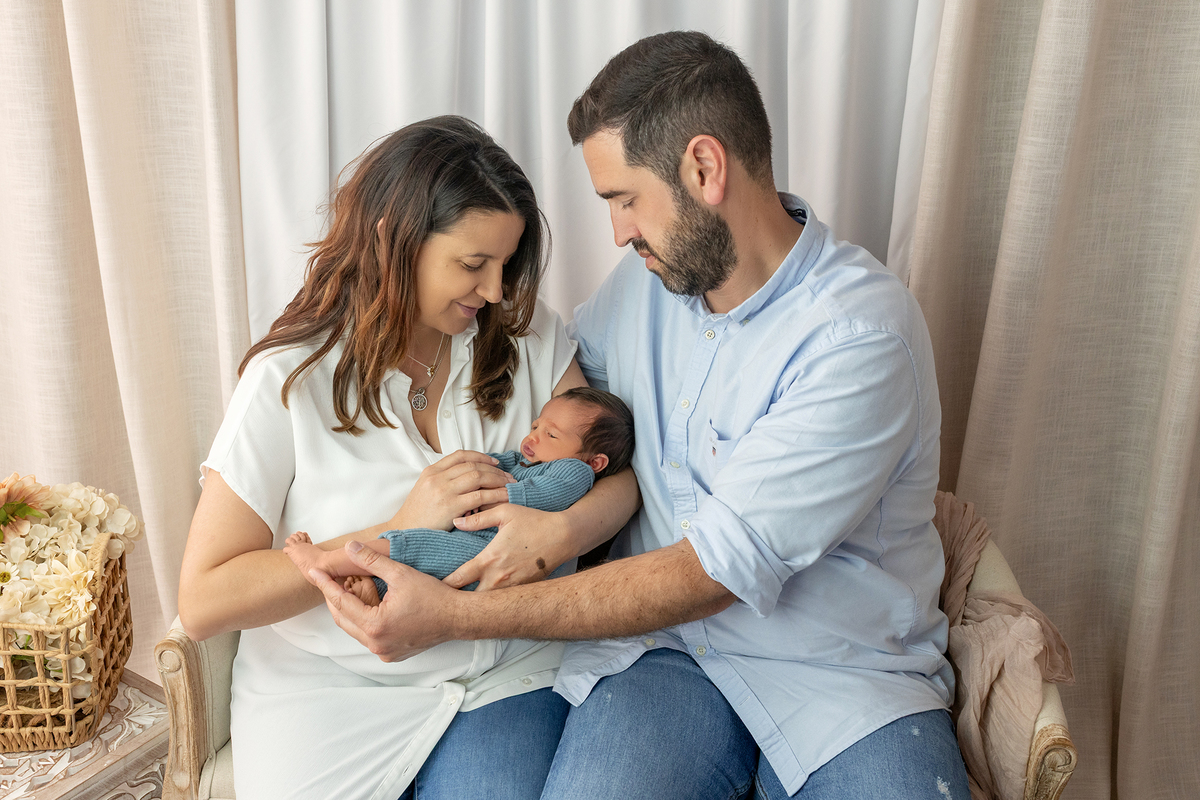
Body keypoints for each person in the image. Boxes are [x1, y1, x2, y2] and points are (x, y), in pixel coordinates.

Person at [310, 32, 972, 800]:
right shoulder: (643, 288)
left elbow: (712, 572)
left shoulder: (861, 336)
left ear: (704, 168)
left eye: (624, 199)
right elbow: (548, 397)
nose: (618, 232)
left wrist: (458, 614)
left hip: (841, 678)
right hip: (663, 661)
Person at [176, 115, 640, 800]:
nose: (493, 290)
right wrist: (394, 531)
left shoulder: (523, 334)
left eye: (506, 265)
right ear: (395, 240)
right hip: (331, 691)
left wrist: (555, 536)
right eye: (473, 264)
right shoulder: (289, 379)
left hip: (498, 671)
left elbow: (617, 478)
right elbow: (206, 598)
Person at [283, 387, 635, 603]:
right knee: (416, 563)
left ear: (595, 460)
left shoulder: (575, 472)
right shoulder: (526, 461)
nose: (534, 437)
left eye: (551, 435)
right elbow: (494, 462)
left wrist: (495, 493)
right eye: (534, 427)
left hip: (489, 547)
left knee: (411, 546)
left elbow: (543, 497)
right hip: (477, 539)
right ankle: (373, 590)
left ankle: (325, 562)